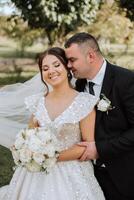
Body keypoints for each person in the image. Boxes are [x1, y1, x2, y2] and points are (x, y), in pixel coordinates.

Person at [0, 47, 105, 200]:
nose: (51, 71)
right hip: (36, 172)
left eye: (57, 65)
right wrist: (32, 153)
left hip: (72, 173)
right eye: (45, 68)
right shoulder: (38, 102)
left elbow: (87, 146)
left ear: (66, 68)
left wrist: (50, 157)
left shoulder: (84, 102)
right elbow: (30, 136)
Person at [65, 32, 134, 200]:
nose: (68, 65)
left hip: (123, 176)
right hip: (88, 177)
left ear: (90, 56)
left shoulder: (126, 81)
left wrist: (100, 149)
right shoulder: (78, 86)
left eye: (72, 60)